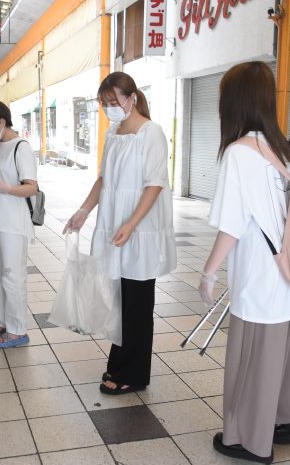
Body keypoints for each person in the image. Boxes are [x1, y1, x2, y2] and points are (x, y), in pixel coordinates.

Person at [199, 62, 290, 464]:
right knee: (284, 358)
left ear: (234, 102)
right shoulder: (281, 149)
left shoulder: (239, 152)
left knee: (252, 360)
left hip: (260, 277)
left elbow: (232, 225)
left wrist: (209, 272)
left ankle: (249, 440)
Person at [64, 72, 176, 395]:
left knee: (139, 303)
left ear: (133, 98)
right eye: (104, 104)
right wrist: (84, 211)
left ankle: (135, 373)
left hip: (139, 230)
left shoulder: (151, 133)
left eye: (114, 102)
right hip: (116, 227)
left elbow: (155, 184)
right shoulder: (113, 134)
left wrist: (132, 223)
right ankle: (119, 362)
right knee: (121, 300)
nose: (109, 108)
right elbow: (103, 180)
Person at [0, 99, 39, 348]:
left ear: (2, 122)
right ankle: (2, 321)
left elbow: (31, 187)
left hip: (13, 222)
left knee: (13, 276)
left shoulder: (20, 147)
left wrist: (7, 189)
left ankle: (17, 330)